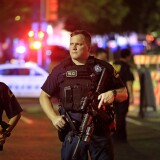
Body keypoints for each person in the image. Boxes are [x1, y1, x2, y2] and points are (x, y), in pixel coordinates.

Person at [39, 30, 128, 160]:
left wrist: (113, 93)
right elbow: (43, 96)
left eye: (78, 44)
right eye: (71, 44)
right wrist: (54, 118)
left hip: (100, 130)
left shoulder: (103, 68)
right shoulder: (60, 70)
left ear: (88, 47)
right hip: (73, 130)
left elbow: (124, 93)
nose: (73, 48)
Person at [112, 48, 134, 142]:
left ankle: (120, 135)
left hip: (113, 93)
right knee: (122, 115)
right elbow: (128, 82)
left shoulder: (114, 64)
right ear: (128, 56)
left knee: (116, 115)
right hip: (123, 94)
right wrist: (132, 95)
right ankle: (118, 136)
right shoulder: (125, 66)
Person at [0, 82, 22, 150]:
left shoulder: (2, 88)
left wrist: (5, 133)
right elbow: (16, 113)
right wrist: (5, 133)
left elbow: (16, 113)